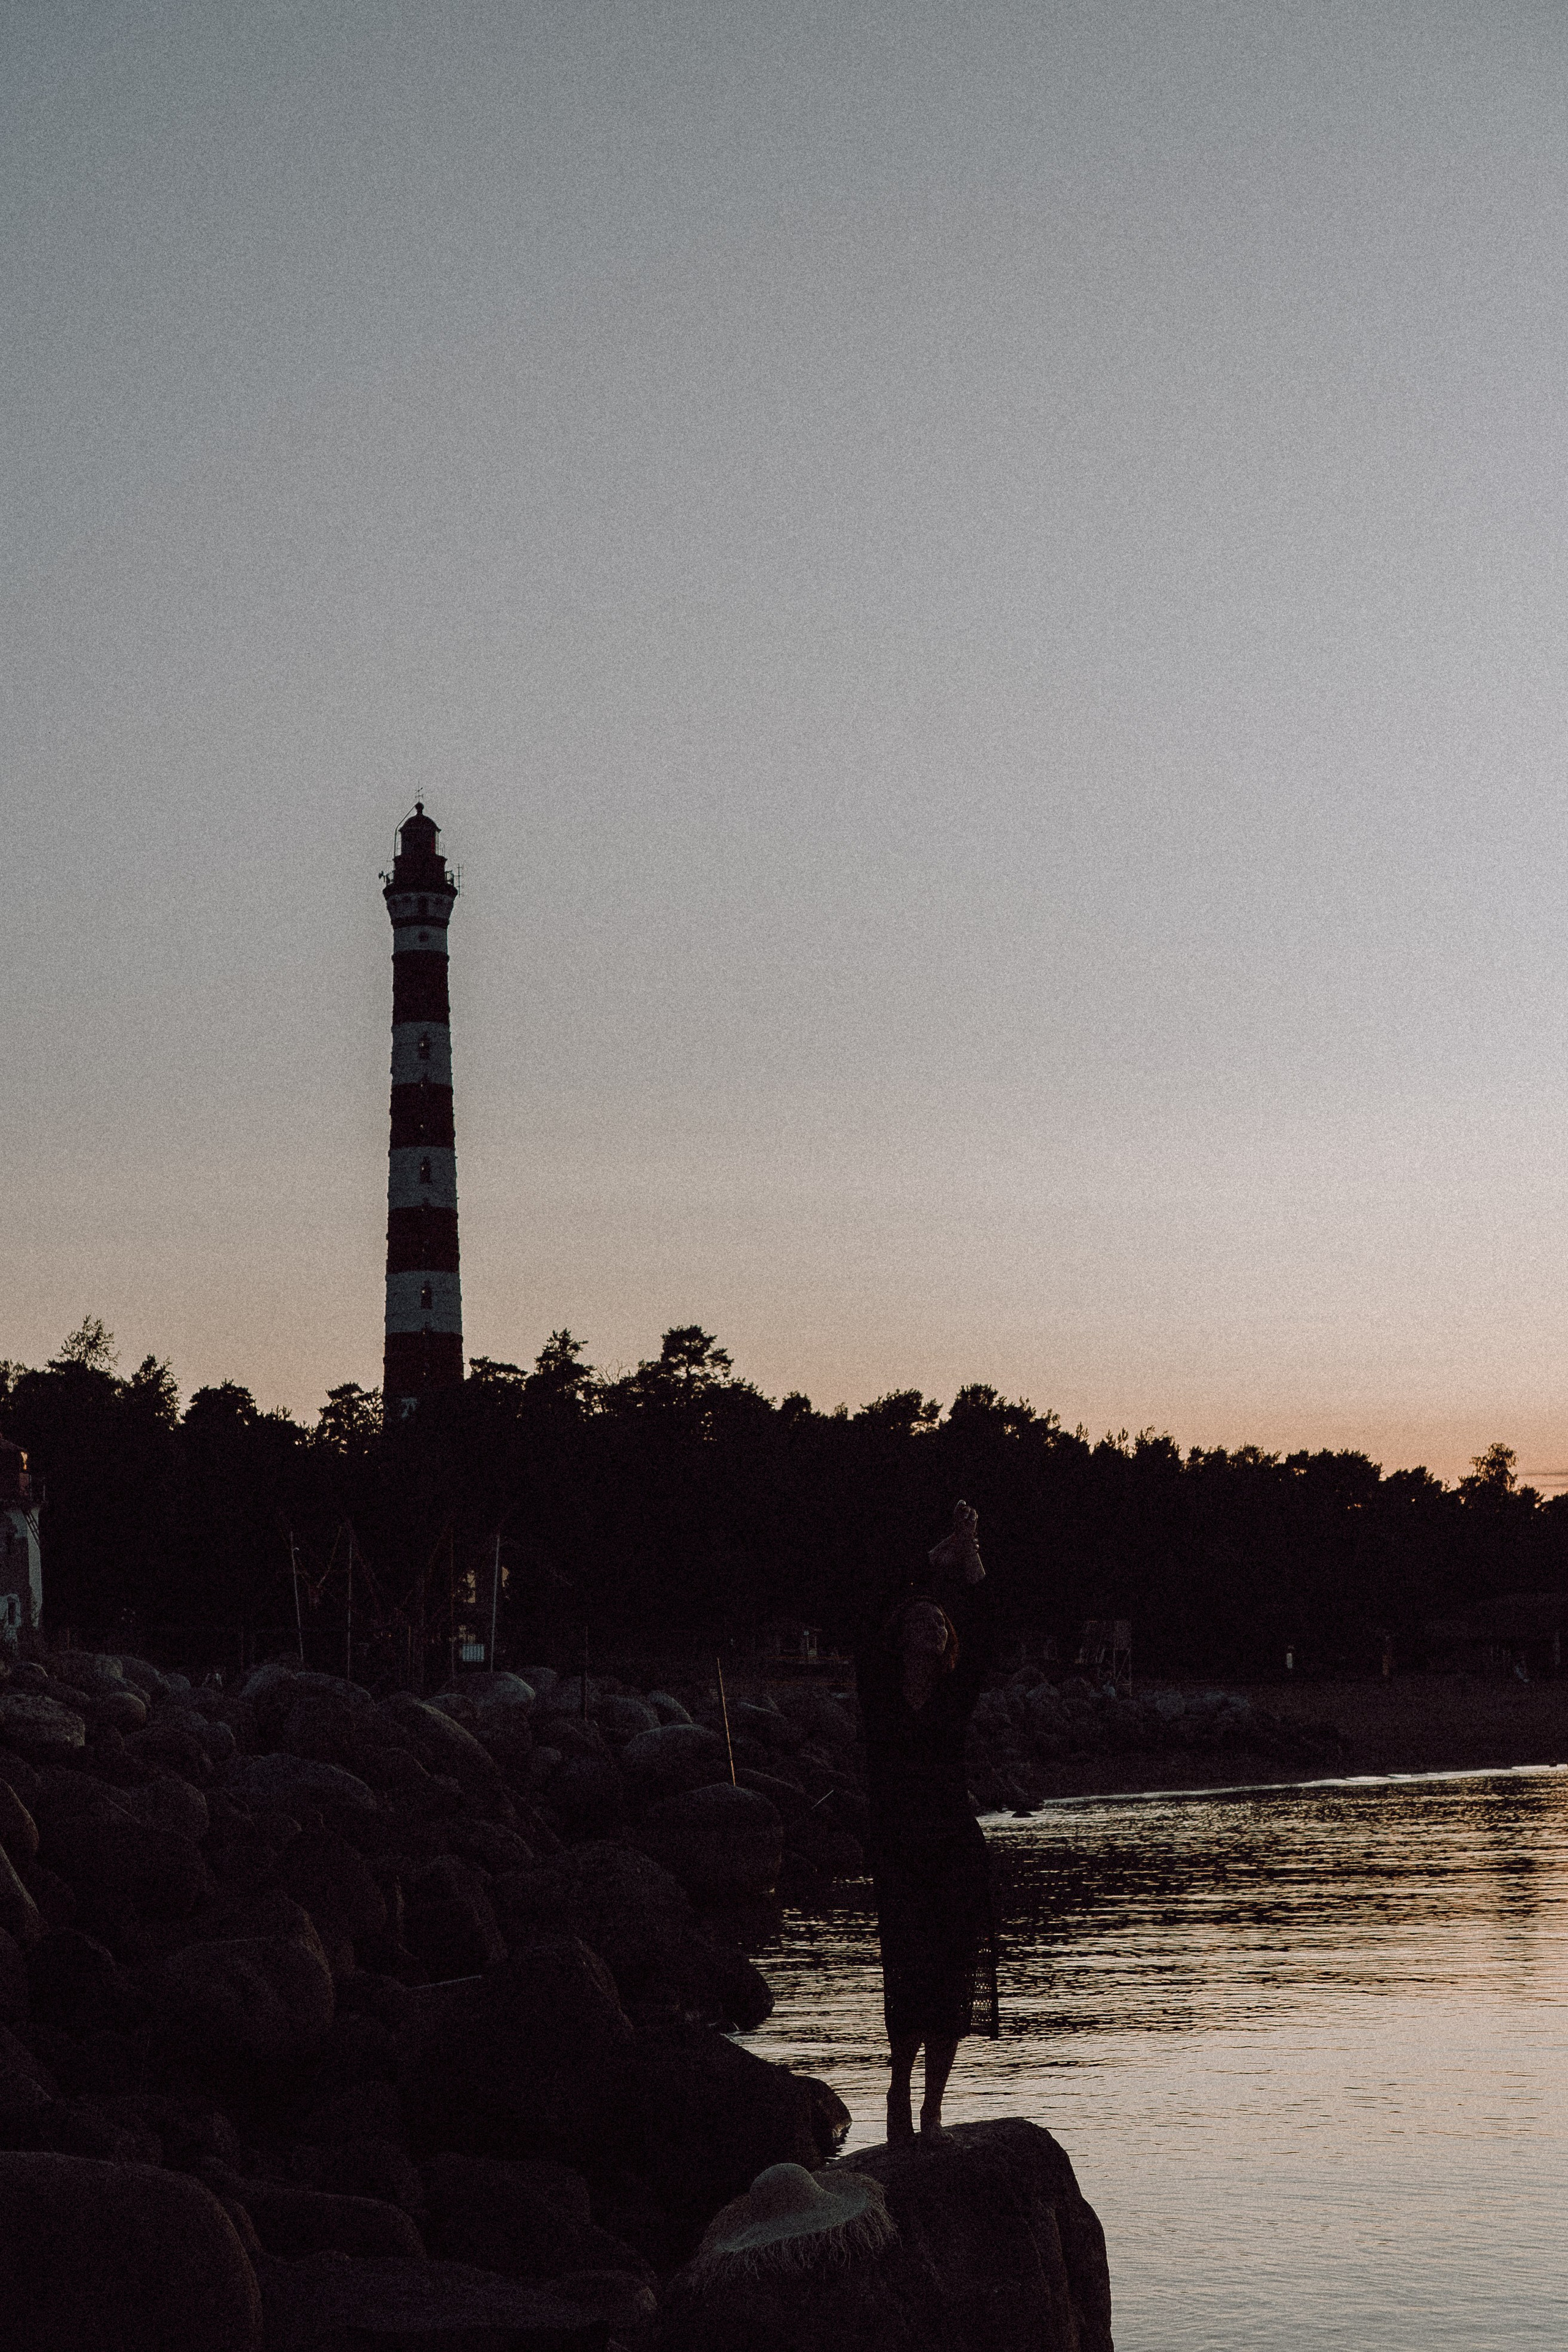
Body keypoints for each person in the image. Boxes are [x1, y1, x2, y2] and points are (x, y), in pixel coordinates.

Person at [856, 1499, 998, 2144]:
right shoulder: (879, 1689)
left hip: (953, 1849)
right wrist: (930, 1562)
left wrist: (971, 1561)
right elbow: (871, 1606)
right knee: (907, 1976)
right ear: (902, 1635)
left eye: (940, 1623)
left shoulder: (955, 1694)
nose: (932, 1626)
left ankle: (933, 2113)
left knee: (951, 1983)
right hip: (897, 1849)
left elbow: (990, 1623)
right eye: (920, 1620)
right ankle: (897, 2091)